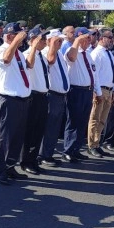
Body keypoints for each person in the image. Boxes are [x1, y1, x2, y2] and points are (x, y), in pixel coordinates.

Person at [0, 22, 30, 185]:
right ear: (9, 36)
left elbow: (28, 66)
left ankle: (10, 166)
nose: (22, 39)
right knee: (5, 137)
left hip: (22, 100)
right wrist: (15, 42)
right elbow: (6, 59)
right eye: (18, 35)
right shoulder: (1, 51)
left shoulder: (19, 53)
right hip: (8, 100)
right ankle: (0, 170)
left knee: (17, 137)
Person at [63, 29, 98, 162]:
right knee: (73, 121)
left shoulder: (88, 54)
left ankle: (76, 149)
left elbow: (93, 73)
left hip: (87, 91)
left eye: (90, 38)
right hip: (76, 90)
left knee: (82, 122)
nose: (90, 40)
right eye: (87, 37)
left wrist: (95, 90)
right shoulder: (72, 51)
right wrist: (76, 41)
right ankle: (68, 150)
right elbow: (71, 57)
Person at [20, 25, 50, 174]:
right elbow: (29, 65)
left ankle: (33, 160)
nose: (45, 41)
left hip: (43, 96)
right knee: (30, 131)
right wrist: (32, 46)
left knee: (39, 131)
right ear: (33, 39)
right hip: (32, 96)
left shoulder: (41, 56)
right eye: (42, 38)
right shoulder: (27, 53)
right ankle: (25, 161)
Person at [37, 29, 69, 166]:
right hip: (52, 95)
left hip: (61, 95)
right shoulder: (46, 52)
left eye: (61, 41)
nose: (60, 43)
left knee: (55, 127)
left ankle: (48, 153)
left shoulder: (59, 53)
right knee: (48, 127)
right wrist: (53, 47)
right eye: (57, 40)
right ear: (49, 40)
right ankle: (42, 155)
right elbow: (50, 61)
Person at [86, 29, 114, 158]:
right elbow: (94, 75)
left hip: (109, 90)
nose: (111, 39)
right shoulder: (96, 53)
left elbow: (113, 74)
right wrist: (96, 92)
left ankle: (97, 143)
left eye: (112, 37)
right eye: (108, 37)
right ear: (101, 38)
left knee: (102, 120)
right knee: (95, 119)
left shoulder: (109, 53)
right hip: (100, 90)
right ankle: (91, 145)